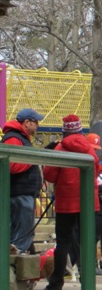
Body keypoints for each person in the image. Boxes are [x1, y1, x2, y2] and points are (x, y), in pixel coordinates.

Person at [41, 115, 101, 290]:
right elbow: (96, 170)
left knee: (63, 242)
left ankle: (57, 281)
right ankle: (87, 279)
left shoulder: (60, 148)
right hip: (88, 202)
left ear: (65, 130)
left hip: (66, 203)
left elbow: (50, 175)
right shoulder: (89, 149)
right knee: (87, 241)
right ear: (80, 129)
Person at [2, 108, 44, 253]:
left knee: (22, 231)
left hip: (21, 192)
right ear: (27, 122)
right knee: (22, 232)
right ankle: (14, 262)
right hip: (20, 193)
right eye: (35, 122)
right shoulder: (14, 138)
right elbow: (12, 165)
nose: (37, 125)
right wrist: (32, 159)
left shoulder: (17, 137)